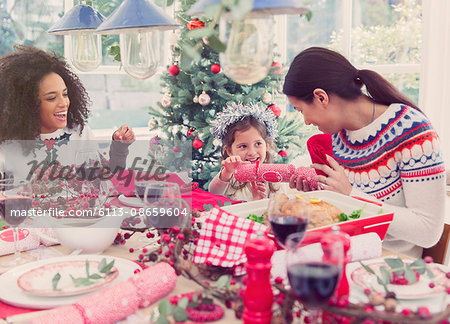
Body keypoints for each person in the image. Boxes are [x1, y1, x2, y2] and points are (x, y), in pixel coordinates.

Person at [283, 46, 446, 258]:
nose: (305, 121)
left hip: (389, 265)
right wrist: (317, 194)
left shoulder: (413, 133)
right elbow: (348, 213)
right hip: (343, 254)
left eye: (301, 110)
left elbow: (428, 232)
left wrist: (351, 196)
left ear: (321, 97)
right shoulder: (337, 136)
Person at [0, 45, 135, 180]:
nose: (64, 103)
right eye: (51, 98)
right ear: (27, 104)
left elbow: (108, 181)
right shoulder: (6, 143)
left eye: (65, 94)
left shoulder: (80, 132)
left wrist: (119, 148)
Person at [209, 102, 283, 201]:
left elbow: (280, 208)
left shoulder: (273, 177)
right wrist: (226, 172)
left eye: (258, 144)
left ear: (266, 146)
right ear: (230, 151)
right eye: (243, 146)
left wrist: (259, 200)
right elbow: (213, 192)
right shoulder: (230, 176)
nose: (252, 152)